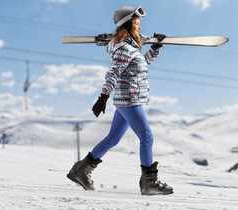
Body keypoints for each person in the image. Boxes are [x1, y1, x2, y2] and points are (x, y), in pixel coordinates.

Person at [67, 6, 173, 195]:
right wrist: (103, 97)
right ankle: (149, 183)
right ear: (127, 24)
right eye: (137, 23)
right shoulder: (124, 48)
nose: (140, 27)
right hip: (130, 99)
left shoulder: (129, 47)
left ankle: (80, 171)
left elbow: (141, 63)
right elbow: (114, 72)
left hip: (126, 99)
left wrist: (155, 49)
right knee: (147, 137)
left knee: (112, 138)